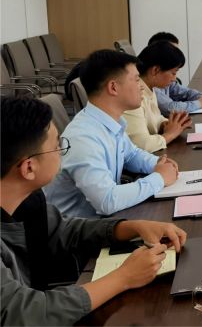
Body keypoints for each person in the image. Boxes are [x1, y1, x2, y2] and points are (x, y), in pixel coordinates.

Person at [1, 97, 187, 326]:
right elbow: (21, 313)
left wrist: (131, 227)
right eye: (57, 146)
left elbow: (64, 230)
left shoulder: (27, 200)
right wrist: (124, 278)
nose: (62, 151)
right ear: (29, 167)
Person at [44, 50, 179, 218]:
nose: (141, 86)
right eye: (137, 80)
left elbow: (131, 155)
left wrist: (158, 163)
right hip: (80, 229)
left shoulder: (110, 121)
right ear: (113, 87)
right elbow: (107, 201)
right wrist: (159, 178)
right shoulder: (83, 138)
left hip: (104, 221)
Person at [124, 41, 193, 153]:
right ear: (155, 70)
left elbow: (155, 118)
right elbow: (142, 145)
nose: (174, 79)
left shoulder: (150, 88)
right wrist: (170, 134)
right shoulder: (134, 94)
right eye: (173, 73)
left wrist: (168, 124)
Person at [147, 32, 202, 115]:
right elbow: (170, 108)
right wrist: (200, 103)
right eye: (173, 52)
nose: (177, 55)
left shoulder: (165, 79)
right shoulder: (152, 85)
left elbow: (186, 93)